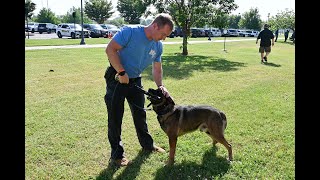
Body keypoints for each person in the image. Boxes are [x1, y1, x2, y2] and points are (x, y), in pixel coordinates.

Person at [104, 13, 174, 167]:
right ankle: (117, 155)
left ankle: (147, 145)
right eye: (163, 34)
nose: (164, 38)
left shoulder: (158, 46)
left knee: (140, 114)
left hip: (135, 80)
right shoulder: (130, 32)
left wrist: (160, 86)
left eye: (167, 36)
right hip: (117, 78)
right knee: (115, 116)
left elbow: (157, 68)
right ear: (155, 25)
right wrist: (121, 72)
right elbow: (110, 50)